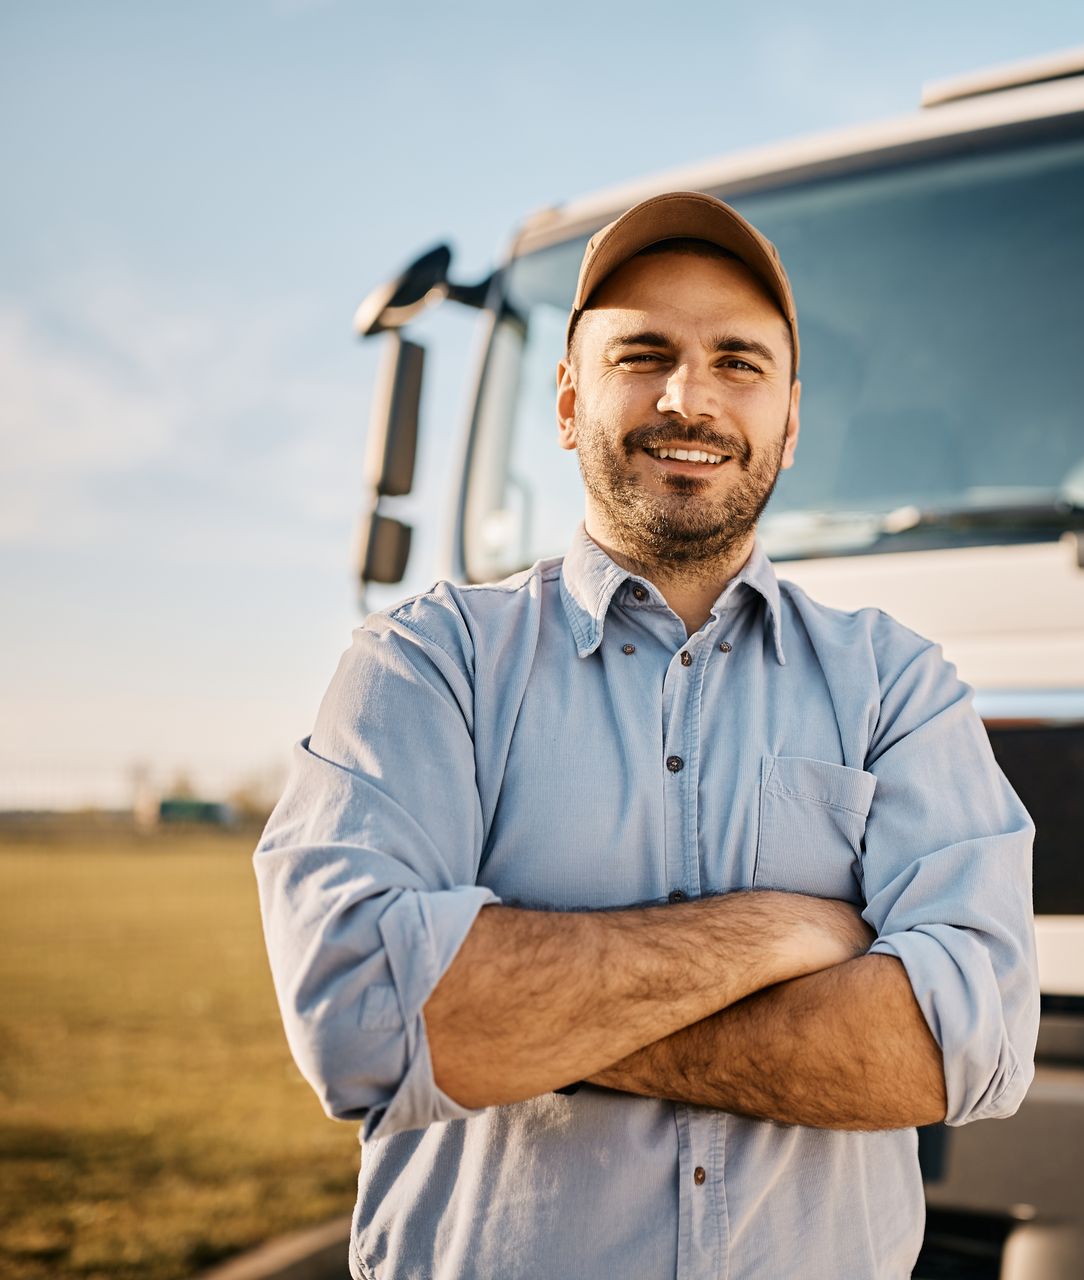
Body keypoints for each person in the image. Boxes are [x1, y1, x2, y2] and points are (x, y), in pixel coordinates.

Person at [255, 191, 1039, 1278]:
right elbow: (365, 1020)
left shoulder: (896, 686)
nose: (690, 397)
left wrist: (529, 1026)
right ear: (570, 400)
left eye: (737, 361)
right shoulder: (426, 664)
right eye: (644, 353)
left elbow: (960, 1044)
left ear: (791, 420)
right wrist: (774, 933)